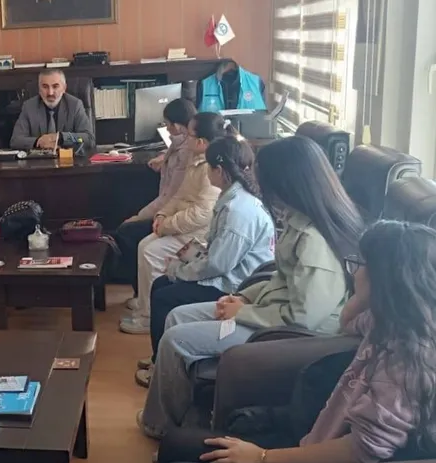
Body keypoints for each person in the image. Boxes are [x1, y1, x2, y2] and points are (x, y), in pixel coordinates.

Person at [150, 220, 436, 463]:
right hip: (319, 437)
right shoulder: (390, 323)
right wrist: (364, 295)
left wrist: (262, 457)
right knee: (176, 443)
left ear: (386, 278)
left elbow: (362, 449)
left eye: (362, 265)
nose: (354, 272)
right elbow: (349, 321)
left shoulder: (408, 360)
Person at [138, 136, 365, 439]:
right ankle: (183, 410)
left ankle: (159, 424)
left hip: (288, 334)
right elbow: (280, 278)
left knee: (175, 340)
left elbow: (303, 318)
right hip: (269, 311)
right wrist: (243, 297)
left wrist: (243, 313)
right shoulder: (299, 221)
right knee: (177, 316)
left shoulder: (315, 242)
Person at [133, 135, 275, 387]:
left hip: (236, 284)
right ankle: (160, 356)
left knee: (166, 296)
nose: (207, 172)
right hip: (226, 273)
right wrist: (183, 265)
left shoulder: (239, 210)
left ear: (219, 170)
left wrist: (179, 270)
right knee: (161, 285)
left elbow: (217, 265)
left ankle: (161, 367)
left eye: (209, 167)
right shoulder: (231, 198)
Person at [120, 112, 227, 335]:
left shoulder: (211, 167)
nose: (185, 139)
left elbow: (202, 214)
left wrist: (167, 225)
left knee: (151, 251)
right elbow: (178, 196)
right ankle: (144, 304)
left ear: (201, 142)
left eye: (190, 135)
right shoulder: (195, 160)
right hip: (181, 224)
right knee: (144, 244)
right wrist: (162, 216)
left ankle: (149, 317)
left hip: (199, 232)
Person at [113, 98, 196, 302]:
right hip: (169, 210)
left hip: (174, 215)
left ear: (177, 126)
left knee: (127, 230)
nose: (166, 129)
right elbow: (171, 151)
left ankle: (140, 292)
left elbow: (169, 197)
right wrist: (163, 158)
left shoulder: (186, 153)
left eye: (167, 124)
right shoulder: (181, 144)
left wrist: (138, 216)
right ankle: (141, 293)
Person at [9, 69, 95, 151]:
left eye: (55, 86)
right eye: (45, 87)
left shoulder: (75, 105)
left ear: (64, 88)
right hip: (39, 159)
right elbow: (15, 141)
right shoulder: (29, 107)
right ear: (39, 89)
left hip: (68, 158)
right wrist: (38, 141)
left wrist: (61, 137)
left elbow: (88, 139)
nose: (50, 93)